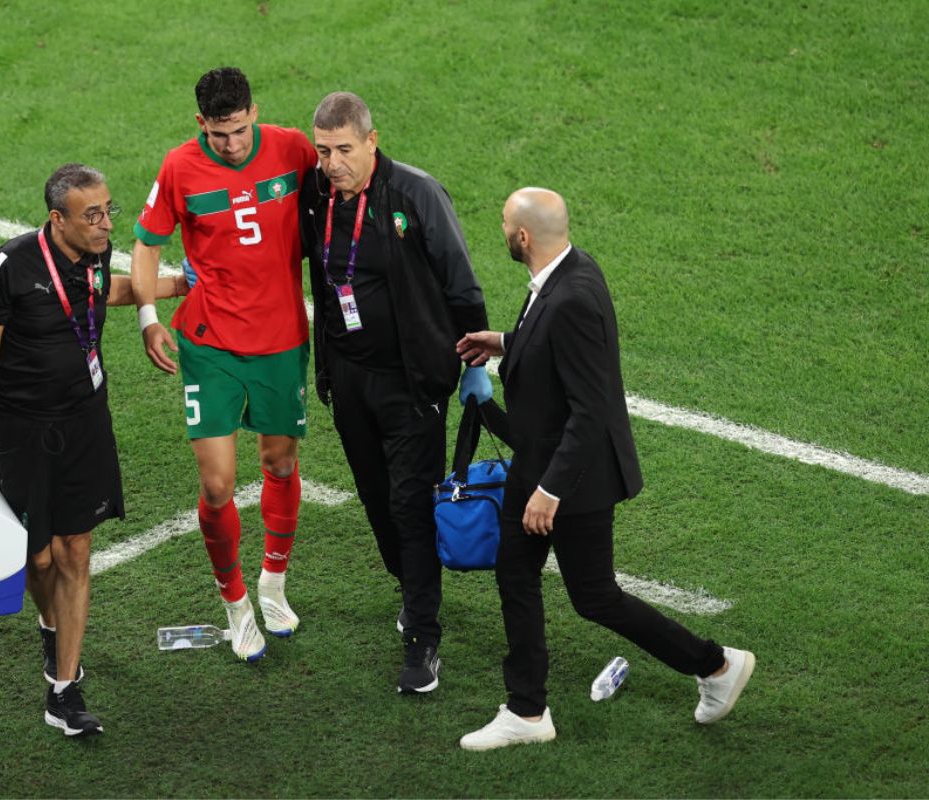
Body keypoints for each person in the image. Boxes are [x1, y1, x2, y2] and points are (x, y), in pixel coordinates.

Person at [454, 187, 755, 750]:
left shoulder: (570, 298)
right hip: (542, 466)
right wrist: (502, 344)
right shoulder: (569, 271)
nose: (500, 230)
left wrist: (549, 490)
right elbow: (551, 347)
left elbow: (592, 409)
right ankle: (526, 709)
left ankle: (715, 665)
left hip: (569, 480)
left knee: (594, 595)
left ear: (522, 237)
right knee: (515, 573)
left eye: (503, 224)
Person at [0, 163, 187, 737]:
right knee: (39, 559)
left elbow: (112, 292)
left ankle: (64, 688)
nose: (106, 225)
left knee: (75, 551)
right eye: (92, 216)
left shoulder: (98, 255)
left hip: (84, 422)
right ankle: (51, 628)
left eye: (109, 211)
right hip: (21, 430)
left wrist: (178, 283)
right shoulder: (9, 267)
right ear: (58, 220)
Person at [297, 92, 492, 694]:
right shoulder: (314, 195)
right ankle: (412, 589)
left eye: (344, 150)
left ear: (372, 141)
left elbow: (460, 282)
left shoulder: (415, 195)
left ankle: (423, 640)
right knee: (379, 503)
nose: (333, 163)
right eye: (324, 150)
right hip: (350, 381)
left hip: (412, 384)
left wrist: (474, 361)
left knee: (410, 507)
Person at [130, 67, 318, 662]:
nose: (231, 145)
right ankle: (236, 604)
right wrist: (148, 317)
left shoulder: (293, 150)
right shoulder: (180, 167)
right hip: (209, 343)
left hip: (283, 339)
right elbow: (145, 243)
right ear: (200, 125)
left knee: (280, 462)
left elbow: (342, 196)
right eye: (219, 135)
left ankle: (273, 582)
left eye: (238, 131)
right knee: (217, 484)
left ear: (253, 113)